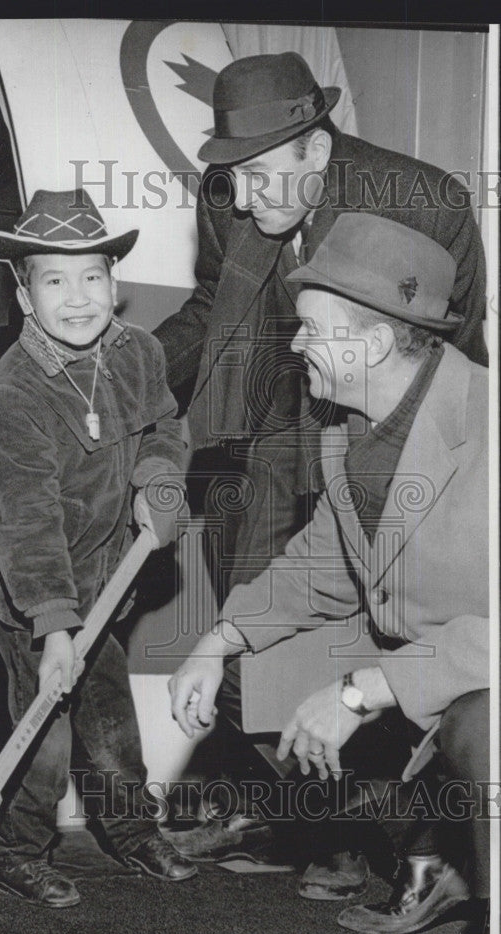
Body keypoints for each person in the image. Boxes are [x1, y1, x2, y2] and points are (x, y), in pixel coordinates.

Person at [154, 51, 487, 887]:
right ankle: (321, 833)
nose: (245, 196)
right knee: (253, 633)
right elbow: (208, 309)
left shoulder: (420, 202)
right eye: (233, 178)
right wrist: (129, 385)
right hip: (284, 414)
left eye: (264, 176)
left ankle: (426, 847)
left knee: (419, 645)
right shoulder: (232, 186)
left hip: (395, 414)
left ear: (314, 144)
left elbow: (443, 343)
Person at [168, 213, 489, 934]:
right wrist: (217, 643)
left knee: (483, 721)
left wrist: (361, 689)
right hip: (428, 665)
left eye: (311, 329)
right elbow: (325, 561)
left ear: (372, 344)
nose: (296, 344)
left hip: (480, 677)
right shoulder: (346, 427)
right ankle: (432, 853)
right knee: (257, 669)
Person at [0, 188, 197, 908]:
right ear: (22, 291)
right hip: (33, 594)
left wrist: (159, 478)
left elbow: (163, 428)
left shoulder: (141, 352)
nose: (77, 299)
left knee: (109, 721)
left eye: (92, 277)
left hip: (110, 575)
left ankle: (130, 831)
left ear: (114, 280)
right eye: (54, 280)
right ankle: (17, 849)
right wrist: (52, 625)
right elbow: (25, 519)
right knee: (45, 737)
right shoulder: (12, 395)